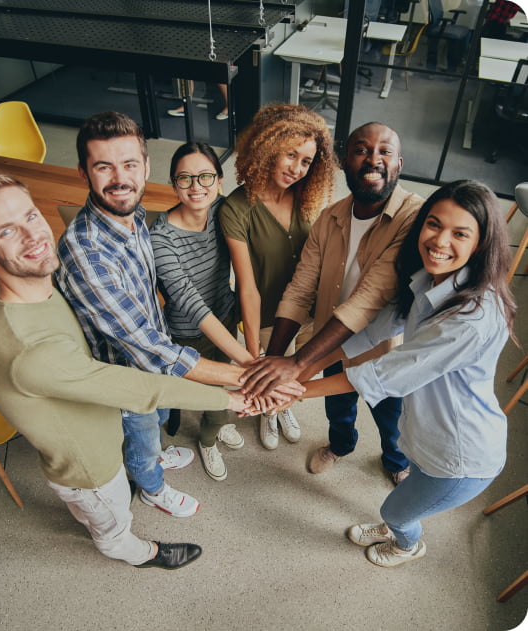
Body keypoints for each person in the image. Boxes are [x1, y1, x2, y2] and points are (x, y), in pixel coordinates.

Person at [0, 171, 252, 569]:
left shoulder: (25, 282)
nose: (34, 238)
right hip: (89, 467)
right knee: (112, 519)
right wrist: (232, 397)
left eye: (29, 216)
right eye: (6, 232)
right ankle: (140, 552)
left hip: (97, 423)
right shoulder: (30, 351)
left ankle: (146, 474)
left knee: (141, 442)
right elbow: (145, 389)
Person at [55, 111, 301, 519]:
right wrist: (255, 374)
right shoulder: (88, 253)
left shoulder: (130, 213)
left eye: (130, 164)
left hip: (158, 346)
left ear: (146, 167)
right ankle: (151, 487)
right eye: (104, 166)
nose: (120, 178)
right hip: (128, 371)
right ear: (84, 171)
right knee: (143, 432)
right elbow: (155, 348)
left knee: (161, 419)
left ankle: (161, 454)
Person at [296, 179, 517, 567]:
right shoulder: (429, 280)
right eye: (434, 224)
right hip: (431, 436)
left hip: (461, 456)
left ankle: (405, 543)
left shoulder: (473, 317)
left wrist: (294, 390)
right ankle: (400, 520)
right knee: (408, 495)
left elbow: (384, 374)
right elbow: (375, 331)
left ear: (481, 243)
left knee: (396, 511)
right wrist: (303, 368)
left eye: (459, 233)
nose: (440, 241)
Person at [241, 122, 424, 485]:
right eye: (361, 150)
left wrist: (295, 363)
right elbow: (299, 289)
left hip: (382, 349)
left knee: (390, 415)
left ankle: (395, 460)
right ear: (344, 161)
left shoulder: (413, 217)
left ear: (399, 163)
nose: (373, 159)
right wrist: (273, 359)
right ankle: (340, 446)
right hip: (329, 343)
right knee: (337, 407)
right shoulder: (330, 217)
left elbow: (369, 298)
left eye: (384, 151)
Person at [219, 103, 337, 450]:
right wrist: (254, 354)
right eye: (291, 155)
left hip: (312, 310)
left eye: (306, 162)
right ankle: (269, 411)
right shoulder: (236, 208)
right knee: (272, 366)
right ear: (267, 147)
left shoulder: (307, 198)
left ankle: (284, 404)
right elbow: (248, 287)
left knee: (301, 368)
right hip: (269, 311)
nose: (298, 169)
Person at [150, 142, 253, 481]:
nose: (196, 187)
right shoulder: (160, 238)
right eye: (185, 178)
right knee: (216, 391)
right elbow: (190, 304)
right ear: (173, 184)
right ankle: (207, 441)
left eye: (206, 176)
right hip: (188, 332)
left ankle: (215, 428)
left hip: (225, 312)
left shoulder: (223, 210)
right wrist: (249, 361)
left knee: (226, 385)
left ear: (220, 181)